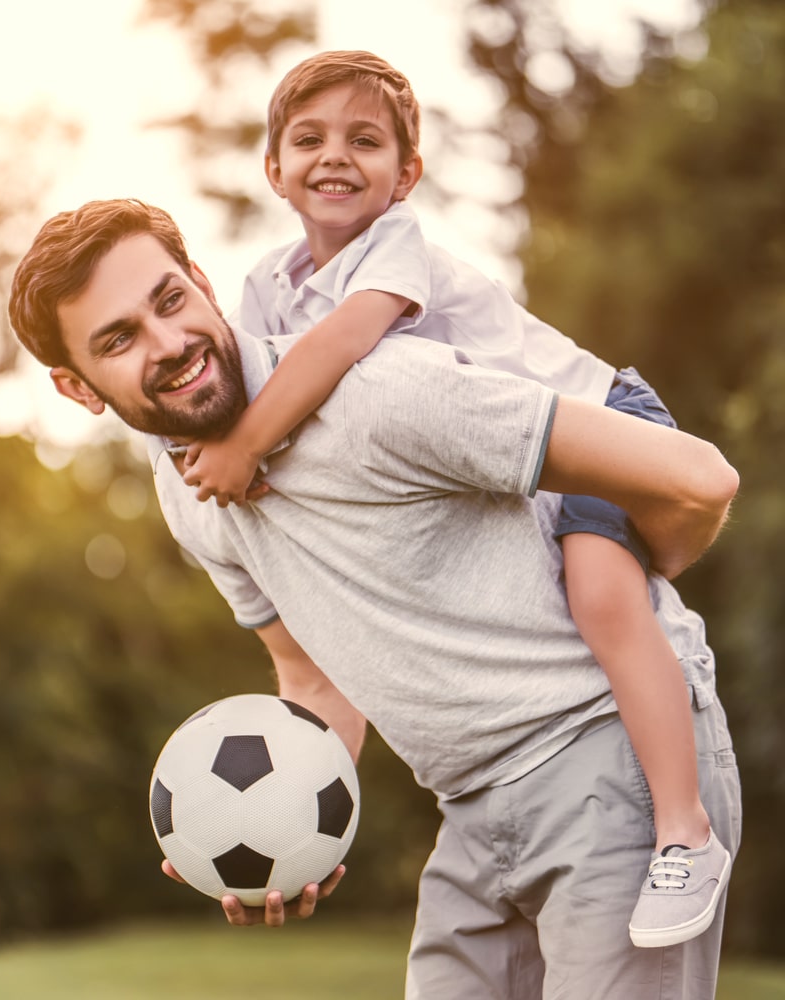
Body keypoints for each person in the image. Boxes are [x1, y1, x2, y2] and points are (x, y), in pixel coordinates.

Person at [9, 198, 740, 1000]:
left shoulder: (376, 397)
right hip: (469, 809)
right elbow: (314, 680)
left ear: (204, 285)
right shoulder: (189, 497)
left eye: (170, 300)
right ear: (77, 389)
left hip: (610, 757)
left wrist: (636, 596)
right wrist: (280, 823)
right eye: (119, 339)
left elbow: (697, 480)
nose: (169, 343)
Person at [176, 51, 727, 948]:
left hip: (596, 421)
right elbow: (267, 385)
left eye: (366, 139)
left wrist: (242, 445)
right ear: (273, 168)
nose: (335, 157)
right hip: (512, 463)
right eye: (308, 139)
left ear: (406, 174)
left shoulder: (395, 248)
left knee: (601, 599)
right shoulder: (264, 287)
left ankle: (682, 830)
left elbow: (347, 342)